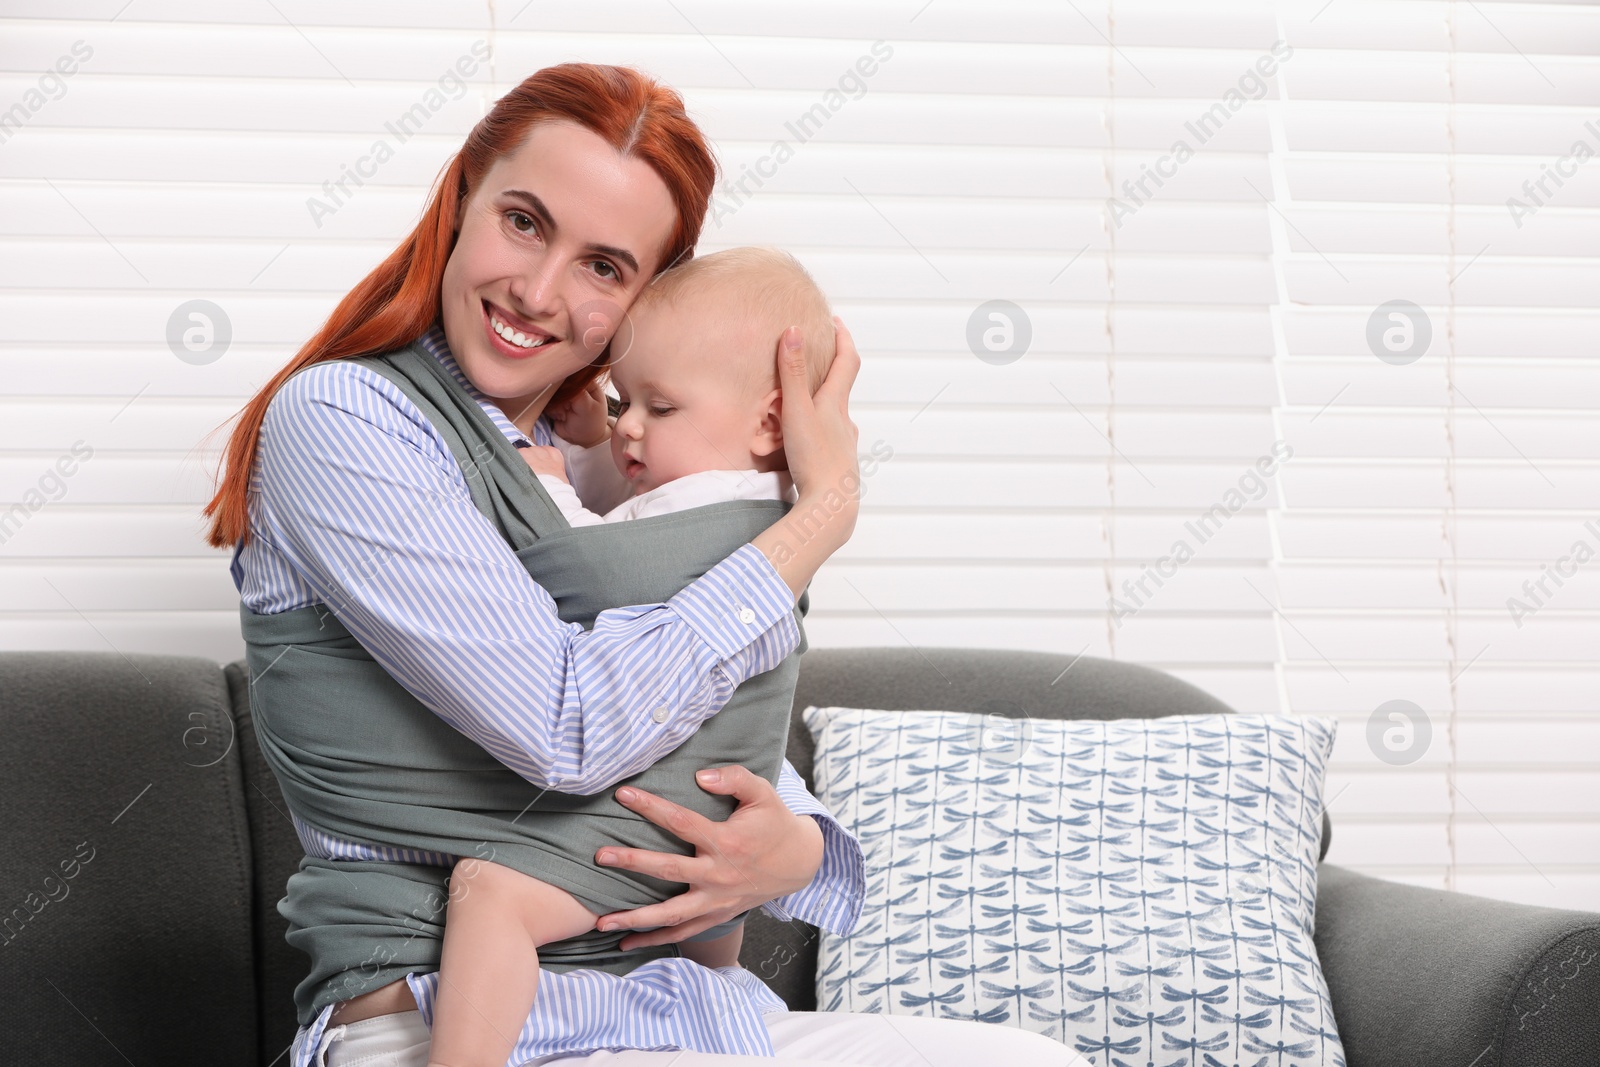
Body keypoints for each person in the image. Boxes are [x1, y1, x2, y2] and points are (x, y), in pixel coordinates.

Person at [207, 62, 1075, 1067]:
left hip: (692, 1007)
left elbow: (697, 721)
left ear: (647, 299)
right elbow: (568, 726)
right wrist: (816, 515)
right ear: (460, 201)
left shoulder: (613, 475)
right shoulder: (350, 422)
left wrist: (790, 843)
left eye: (604, 267)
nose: (537, 292)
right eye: (524, 221)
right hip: (467, 1023)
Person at [427, 247, 836, 1067]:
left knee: (489, 893)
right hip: (716, 820)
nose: (631, 428)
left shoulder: (722, 520)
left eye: (661, 405)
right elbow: (639, 515)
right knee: (702, 946)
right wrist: (591, 446)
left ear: (767, 421)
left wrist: (545, 484)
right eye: (623, 401)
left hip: (668, 813)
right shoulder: (754, 501)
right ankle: (709, 990)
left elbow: (588, 570)